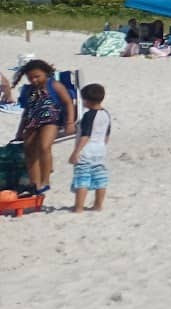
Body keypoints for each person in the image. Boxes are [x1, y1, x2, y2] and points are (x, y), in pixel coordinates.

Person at [13, 59, 75, 194]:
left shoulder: (54, 85)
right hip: (32, 121)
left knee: (44, 147)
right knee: (29, 149)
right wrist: (20, 130)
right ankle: (34, 182)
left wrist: (70, 122)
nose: (34, 80)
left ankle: (45, 180)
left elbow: (68, 103)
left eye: (37, 76)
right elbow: (26, 111)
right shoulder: (29, 90)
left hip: (51, 120)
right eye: (30, 78)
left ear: (46, 73)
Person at [69, 82, 111, 212]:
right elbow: (107, 134)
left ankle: (79, 207)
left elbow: (85, 135)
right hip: (100, 148)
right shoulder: (106, 114)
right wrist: (102, 146)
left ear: (87, 100)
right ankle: (98, 205)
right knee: (100, 177)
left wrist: (76, 152)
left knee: (83, 177)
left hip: (87, 149)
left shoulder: (89, 115)